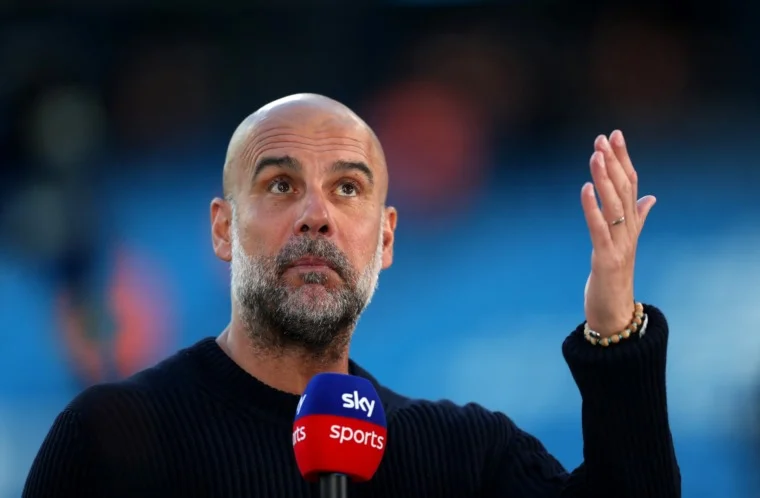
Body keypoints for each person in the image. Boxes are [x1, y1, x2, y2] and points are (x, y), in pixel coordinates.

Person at [23, 94, 680, 497]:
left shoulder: (463, 456)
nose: (316, 215)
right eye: (281, 185)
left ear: (386, 238)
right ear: (223, 229)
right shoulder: (108, 439)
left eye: (347, 189)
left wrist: (615, 330)